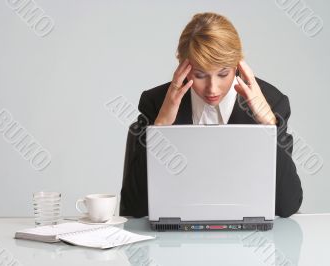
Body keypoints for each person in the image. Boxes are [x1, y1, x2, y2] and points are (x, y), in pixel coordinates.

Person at [119, 12, 303, 218]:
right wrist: (160, 127)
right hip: (176, 237)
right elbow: (133, 206)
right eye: (199, 75)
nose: (212, 88)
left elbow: (288, 205)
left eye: (223, 74)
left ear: (238, 64)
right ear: (183, 66)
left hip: (246, 239)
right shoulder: (155, 103)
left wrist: (269, 125)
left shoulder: (272, 101)